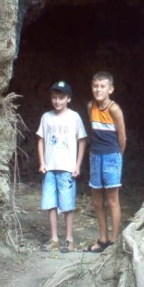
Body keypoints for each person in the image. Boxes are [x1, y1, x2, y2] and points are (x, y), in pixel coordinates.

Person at [36, 81, 87, 253]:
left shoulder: (74, 117)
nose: (57, 101)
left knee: (67, 205)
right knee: (51, 203)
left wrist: (77, 165)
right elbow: (41, 139)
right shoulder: (46, 117)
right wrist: (42, 162)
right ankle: (54, 239)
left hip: (67, 168)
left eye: (61, 98)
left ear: (68, 99)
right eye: (54, 98)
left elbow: (82, 141)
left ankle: (69, 239)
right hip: (50, 167)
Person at [85, 71, 126, 253]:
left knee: (112, 201)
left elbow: (122, 137)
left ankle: (113, 241)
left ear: (111, 89)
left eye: (102, 86)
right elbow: (93, 130)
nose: (98, 89)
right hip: (95, 155)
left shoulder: (114, 109)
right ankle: (102, 239)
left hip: (111, 156)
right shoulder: (90, 106)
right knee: (97, 201)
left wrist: (118, 157)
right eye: (95, 86)